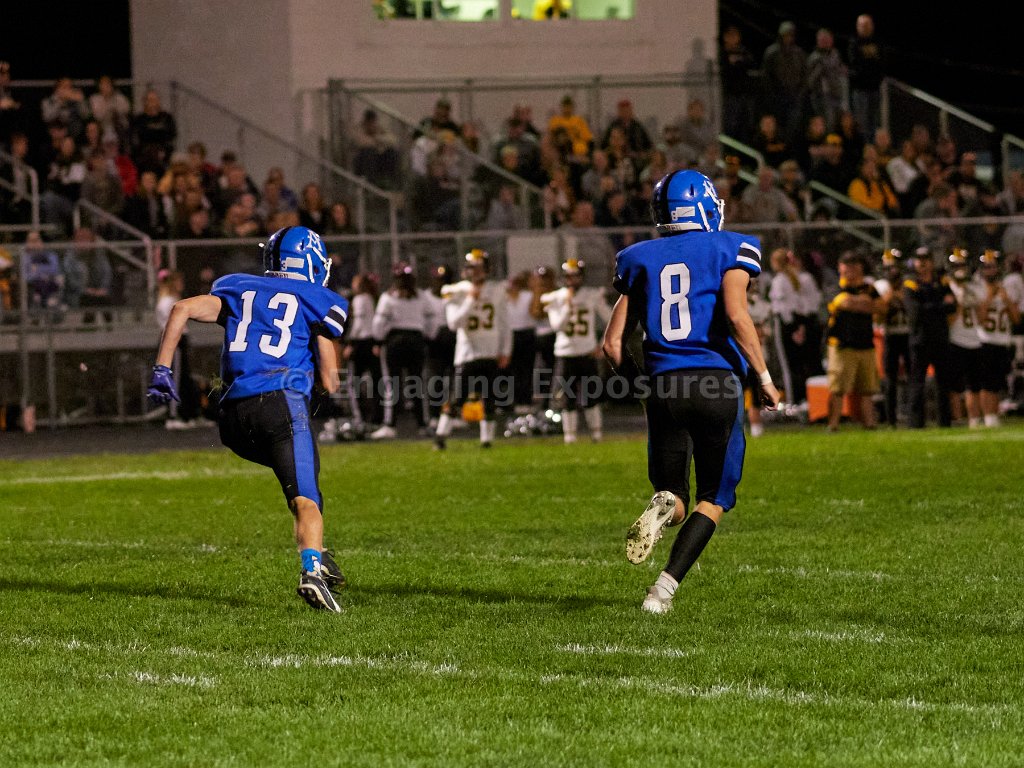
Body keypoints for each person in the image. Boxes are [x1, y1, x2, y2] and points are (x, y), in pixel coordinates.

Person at [601, 169, 780, 614]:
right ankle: (661, 592)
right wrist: (764, 377)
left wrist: (641, 386)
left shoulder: (638, 258)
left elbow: (612, 344)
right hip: (715, 382)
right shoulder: (729, 247)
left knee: (674, 495)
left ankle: (665, 506)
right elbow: (737, 316)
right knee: (715, 497)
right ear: (703, 206)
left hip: (664, 385)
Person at [146, 226, 349, 613]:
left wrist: (162, 369)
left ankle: (319, 551)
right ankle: (312, 571)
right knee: (306, 496)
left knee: (297, 483)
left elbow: (181, 309)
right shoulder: (317, 299)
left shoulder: (238, 287)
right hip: (281, 405)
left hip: (233, 418)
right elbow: (330, 381)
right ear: (308, 261)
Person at [433, 248, 511, 450]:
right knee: (458, 398)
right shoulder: (456, 291)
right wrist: (470, 300)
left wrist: (505, 350)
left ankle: (487, 440)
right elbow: (453, 323)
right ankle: (440, 437)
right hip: (467, 353)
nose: (475, 272)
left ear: (487, 269)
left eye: (479, 268)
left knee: (490, 399)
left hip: (490, 352)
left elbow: (505, 323)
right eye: (472, 268)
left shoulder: (497, 290)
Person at [541, 258, 611, 443]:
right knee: (566, 398)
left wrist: (603, 344)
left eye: (575, 276)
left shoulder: (592, 295)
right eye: (569, 276)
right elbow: (557, 326)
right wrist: (567, 305)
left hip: (587, 352)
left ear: (581, 276)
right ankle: (570, 437)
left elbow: (611, 319)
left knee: (591, 396)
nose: (572, 279)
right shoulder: (556, 297)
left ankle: (596, 434)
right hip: (565, 353)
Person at [370, 262, 436, 439]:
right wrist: (428, 336)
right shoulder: (422, 296)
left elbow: (379, 323)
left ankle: (390, 425)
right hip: (416, 340)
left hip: (395, 341)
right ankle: (423, 424)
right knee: (417, 383)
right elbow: (432, 320)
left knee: (392, 384)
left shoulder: (388, 297)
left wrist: (378, 339)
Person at [825, 252, 883, 431]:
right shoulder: (835, 287)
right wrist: (865, 303)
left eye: (854, 264)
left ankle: (869, 423)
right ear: (840, 267)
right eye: (847, 265)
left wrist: (859, 303)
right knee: (838, 388)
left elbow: (881, 307)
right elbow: (845, 303)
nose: (850, 269)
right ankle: (833, 424)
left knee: (867, 388)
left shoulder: (869, 288)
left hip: (865, 343)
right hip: (842, 344)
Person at [902, 247, 955, 428]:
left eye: (926, 259)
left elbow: (953, 306)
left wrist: (929, 305)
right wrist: (940, 305)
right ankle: (915, 423)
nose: (923, 264)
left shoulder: (941, 281)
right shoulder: (910, 284)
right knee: (917, 381)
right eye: (919, 260)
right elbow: (915, 312)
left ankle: (945, 422)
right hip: (920, 339)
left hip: (940, 338)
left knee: (943, 382)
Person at [154, 270, 207, 430]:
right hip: (174, 340)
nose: (181, 285)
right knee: (175, 378)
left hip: (180, 339)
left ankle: (188, 414)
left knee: (184, 378)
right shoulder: (167, 302)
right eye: (178, 281)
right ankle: (173, 415)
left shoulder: (173, 300)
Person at [975, 250, 1022, 427]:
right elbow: (979, 319)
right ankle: (987, 417)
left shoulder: (1005, 288)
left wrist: (1006, 300)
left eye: (992, 266)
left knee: (997, 382)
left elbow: (1016, 319)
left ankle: (993, 416)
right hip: (984, 340)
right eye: (986, 267)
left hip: (1002, 340)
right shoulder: (977, 288)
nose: (990, 270)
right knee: (986, 382)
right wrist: (990, 296)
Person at [945, 248, 985, 428]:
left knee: (973, 385)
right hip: (955, 340)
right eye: (956, 266)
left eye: (962, 265)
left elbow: (982, 319)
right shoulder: (947, 288)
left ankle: (974, 420)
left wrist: (978, 303)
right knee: (954, 385)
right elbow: (949, 321)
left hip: (974, 340)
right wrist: (959, 302)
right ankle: (957, 419)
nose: (960, 269)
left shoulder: (973, 287)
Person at [872, 249, 911, 427]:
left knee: (912, 377)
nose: (891, 271)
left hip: (908, 333)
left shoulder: (909, 284)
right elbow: (877, 316)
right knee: (890, 379)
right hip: (889, 334)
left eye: (893, 267)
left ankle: (913, 417)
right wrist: (888, 299)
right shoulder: (880, 286)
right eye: (888, 267)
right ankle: (891, 419)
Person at [848, 14, 884, 134]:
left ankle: (872, 143)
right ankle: (862, 142)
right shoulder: (854, 43)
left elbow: (882, 62)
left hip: (875, 88)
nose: (866, 28)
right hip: (860, 89)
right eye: (863, 25)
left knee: (874, 121)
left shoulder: (878, 42)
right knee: (861, 121)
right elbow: (855, 65)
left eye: (868, 25)